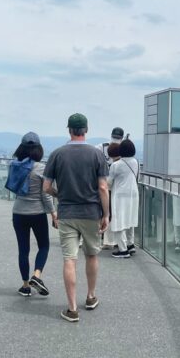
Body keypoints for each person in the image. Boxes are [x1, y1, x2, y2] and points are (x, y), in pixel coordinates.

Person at [43, 113, 109, 323]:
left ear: (69, 130)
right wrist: (106, 214)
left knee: (69, 259)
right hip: (91, 213)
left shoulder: (57, 154)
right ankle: (90, 297)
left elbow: (46, 187)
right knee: (91, 255)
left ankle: (72, 309)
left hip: (67, 213)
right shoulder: (97, 155)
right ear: (86, 130)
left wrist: (59, 195)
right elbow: (102, 187)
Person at [11, 132, 57, 297]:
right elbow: (46, 194)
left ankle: (25, 286)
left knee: (23, 250)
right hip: (37, 213)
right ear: (38, 149)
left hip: (18, 212)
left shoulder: (14, 165)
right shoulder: (40, 168)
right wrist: (53, 213)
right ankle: (36, 276)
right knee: (44, 245)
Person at [108, 138, 139, 258]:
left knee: (119, 220)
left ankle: (123, 249)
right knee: (130, 219)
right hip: (133, 194)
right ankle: (131, 244)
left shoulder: (116, 165)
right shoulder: (135, 162)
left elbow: (109, 183)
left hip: (120, 195)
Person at [101, 143, 122, 251]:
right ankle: (120, 241)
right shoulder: (127, 163)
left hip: (112, 193)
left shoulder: (114, 165)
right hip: (122, 195)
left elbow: (108, 182)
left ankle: (109, 241)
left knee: (108, 215)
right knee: (119, 217)